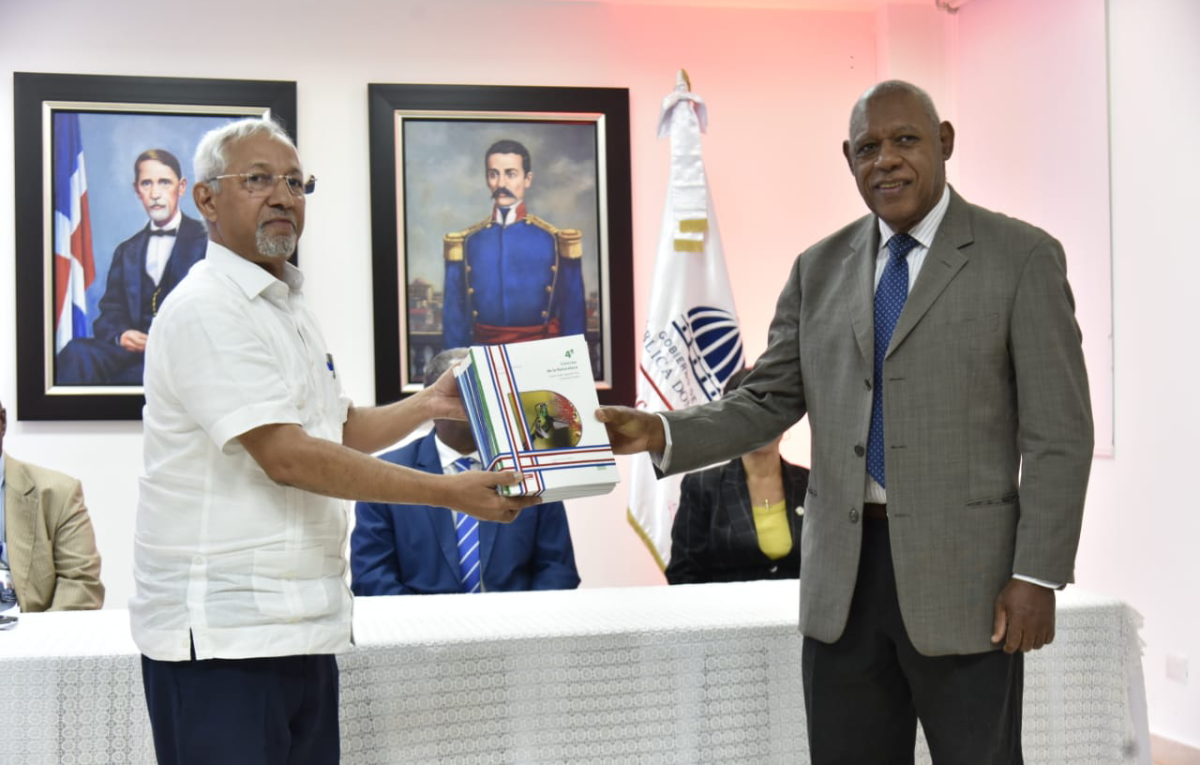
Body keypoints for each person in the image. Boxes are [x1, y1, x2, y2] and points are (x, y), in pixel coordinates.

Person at [597, 80, 1093, 764]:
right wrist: (660, 431)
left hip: (970, 584)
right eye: (868, 148)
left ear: (944, 141)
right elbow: (766, 399)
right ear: (848, 158)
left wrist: (1037, 574)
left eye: (905, 140)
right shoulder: (818, 268)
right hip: (841, 584)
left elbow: (1058, 435)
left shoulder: (1021, 258)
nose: (885, 159)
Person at [130, 117, 534, 765]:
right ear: (205, 199)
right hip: (225, 641)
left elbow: (336, 429)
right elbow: (288, 456)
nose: (284, 196)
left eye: (295, 181)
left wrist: (429, 403)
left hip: (303, 628)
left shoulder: (287, 307)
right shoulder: (207, 306)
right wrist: (449, 492)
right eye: (258, 179)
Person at [351, 348, 581, 596]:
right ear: (430, 396)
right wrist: (425, 629)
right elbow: (372, 577)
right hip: (418, 629)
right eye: (462, 391)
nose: (475, 402)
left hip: (516, 626)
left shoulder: (530, 470)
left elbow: (558, 569)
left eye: (484, 391)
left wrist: (522, 626)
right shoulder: (384, 476)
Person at [56, 148, 207, 385]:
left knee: (134, 379)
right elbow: (110, 312)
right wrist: (121, 335)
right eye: (147, 183)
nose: (155, 193)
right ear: (137, 190)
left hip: (185, 352)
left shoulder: (208, 242)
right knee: (76, 354)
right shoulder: (127, 250)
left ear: (182, 187)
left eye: (164, 182)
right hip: (134, 353)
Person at [664, 368, 808, 585]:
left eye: (771, 411)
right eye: (751, 414)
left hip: (799, 616)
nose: (763, 423)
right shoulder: (702, 487)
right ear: (732, 422)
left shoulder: (811, 484)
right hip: (725, 616)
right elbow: (683, 575)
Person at [442, 139, 586, 348]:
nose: (501, 184)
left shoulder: (555, 240)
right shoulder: (467, 242)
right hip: (484, 357)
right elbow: (454, 317)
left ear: (527, 179)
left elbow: (573, 312)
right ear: (486, 179)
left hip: (542, 358)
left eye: (510, 174)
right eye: (494, 174)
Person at [0, 398, 104, 613]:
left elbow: (81, 584)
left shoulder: (58, 493)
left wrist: (34, 641)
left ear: (2, 424)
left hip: (30, 638)